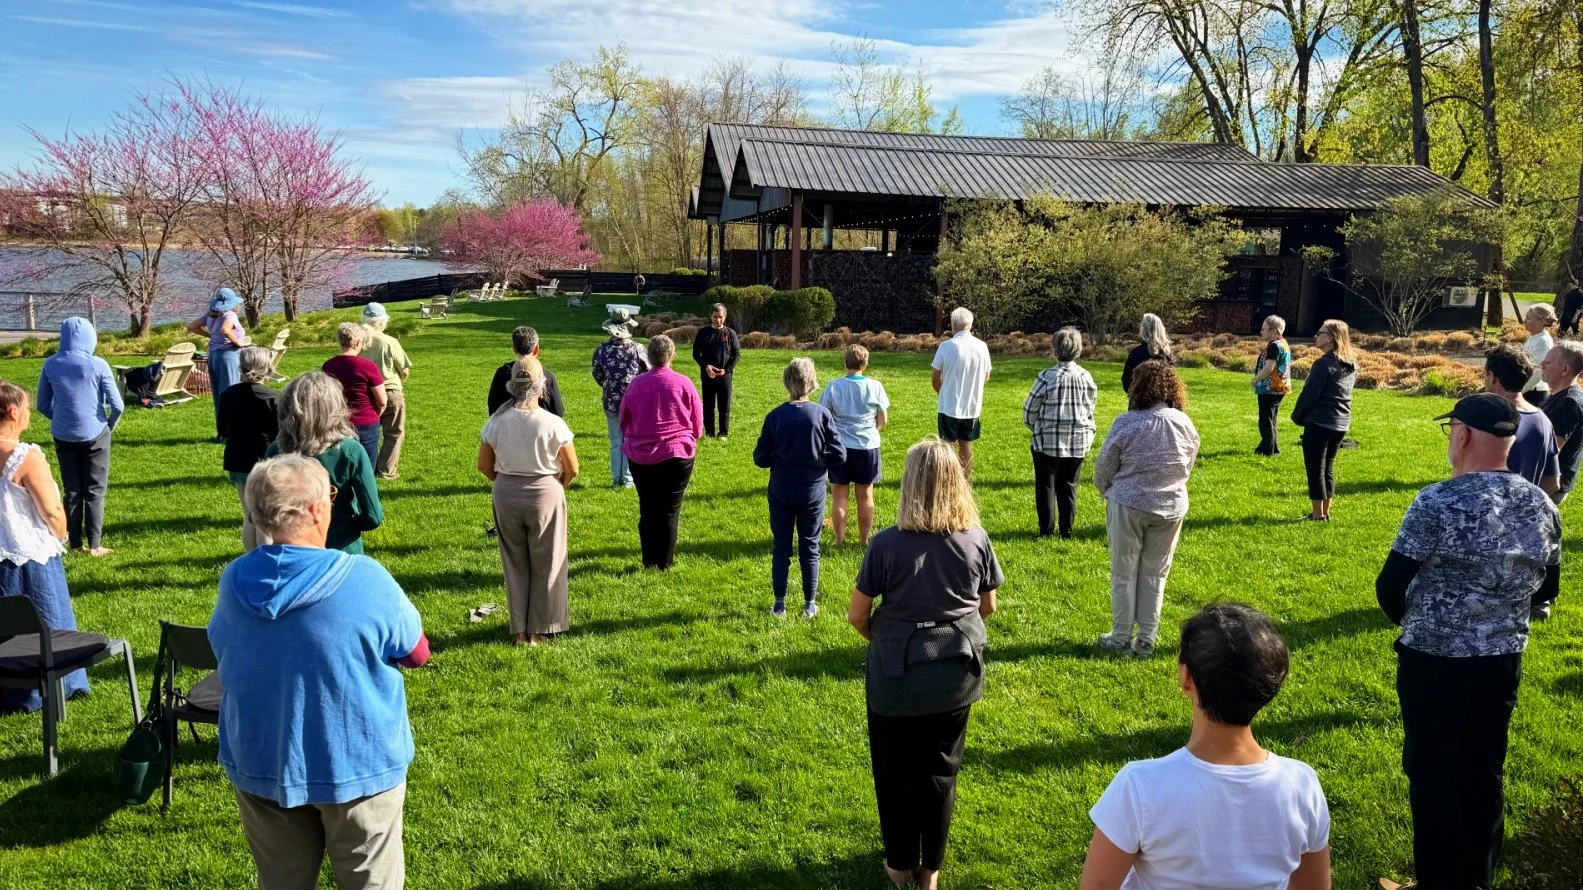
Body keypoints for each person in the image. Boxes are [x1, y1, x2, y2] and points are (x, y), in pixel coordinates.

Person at [209, 454, 429, 890]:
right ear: (315, 510)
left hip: (262, 758)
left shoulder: (234, 581)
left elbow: (223, 648)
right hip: (356, 763)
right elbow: (416, 652)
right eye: (330, 495)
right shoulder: (365, 578)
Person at [1374, 394, 1561, 890]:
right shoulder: (1540, 503)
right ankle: (1476, 880)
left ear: (1462, 435)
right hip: (1501, 659)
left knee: (1433, 773)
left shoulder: (1437, 501)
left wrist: (1418, 624)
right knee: (1484, 767)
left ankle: (1437, 884)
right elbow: (1549, 587)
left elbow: (1390, 587)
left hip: (1434, 660)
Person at [1080, 603, 1331, 890]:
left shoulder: (1140, 787)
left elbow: (1097, 885)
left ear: (1186, 678)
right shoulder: (1302, 786)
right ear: (1271, 686)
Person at [847, 438, 1002, 890]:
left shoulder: (886, 545)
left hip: (895, 679)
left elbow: (857, 615)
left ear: (909, 486)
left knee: (895, 771)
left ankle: (899, 864)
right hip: (955, 674)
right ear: (958, 484)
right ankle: (930, 870)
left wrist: (890, 640)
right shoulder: (975, 539)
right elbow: (987, 605)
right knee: (941, 772)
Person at [1093, 361, 1199, 658]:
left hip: (1129, 504)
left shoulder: (1126, 423)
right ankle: (1146, 640)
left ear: (1137, 387)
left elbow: (1103, 470)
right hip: (1170, 506)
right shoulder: (1185, 423)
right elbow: (1188, 465)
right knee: (1155, 574)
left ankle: (1121, 637)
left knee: (1123, 572)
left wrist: (1110, 492)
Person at [0, 380, 88, 714]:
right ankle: (47, 688)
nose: (28, 414)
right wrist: (61, 534)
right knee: (44, 621)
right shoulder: (24, 455)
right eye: (25, 407)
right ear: (12, 412)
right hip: (25, 555)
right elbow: (51, 509)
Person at [479, 357, 578, 646]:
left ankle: (520, 630)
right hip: (545, 493)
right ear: (541, 386)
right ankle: (541, 628)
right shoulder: (553, 423)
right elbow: (571, 468)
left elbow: (484, 465)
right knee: (548, 562)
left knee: (515, 564)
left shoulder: (496, 422)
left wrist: (507, 481)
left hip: (506, 492)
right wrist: (557, 486)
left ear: (512, 387)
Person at [754, 358, 845, 618]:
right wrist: (819, 462)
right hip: (812, 489)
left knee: (781, 546)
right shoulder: (821, 414)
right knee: (810, 545)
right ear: (812, 382)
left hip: (782, 487)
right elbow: (839, 454)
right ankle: (810, 604)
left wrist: (777, 459)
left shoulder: (775, 416)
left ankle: (779, 603)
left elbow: (760, 458)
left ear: (787, 382)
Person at [37, 316, 124, 557]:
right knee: (95, 490)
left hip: (63, 435)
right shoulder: (98, 365)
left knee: (72, 490)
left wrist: (60, 418)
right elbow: (118, 405)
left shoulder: (50, 364)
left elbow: (42, 404)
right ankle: (95, 545)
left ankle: (74, 544)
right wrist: (109, 425)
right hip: (96, 432)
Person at [270, 372, 384, 554]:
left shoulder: (276, 451)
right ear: (336, 409)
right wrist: (347, 526)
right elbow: (373, 516)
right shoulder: (350, 451)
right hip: (342, 548)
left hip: (291, 548)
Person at [619, 335, 703, 570]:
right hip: (676, 454)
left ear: (649, 357)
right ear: (672, 357)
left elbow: (623, 420)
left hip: (641, 454)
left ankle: (649, 561)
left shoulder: (636, 384)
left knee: (648, 508)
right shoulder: (684, 383)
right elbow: (697, 423)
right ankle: (664, 563)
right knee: (669, 510)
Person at [1023, 327, 1098, 539]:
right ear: (1078, 350)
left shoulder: (1046, 377)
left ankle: (1046, 531)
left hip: (1047, 441)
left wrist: (1035, 427)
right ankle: (1067, 530)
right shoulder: (1086, 377)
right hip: (1077, 440)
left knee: (1046, 486)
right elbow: (1090, 407)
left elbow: (1029, 410)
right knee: (1069, 486)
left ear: (1055, 350)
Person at [819, 344, 890, 546]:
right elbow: (883, 420)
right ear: (865, 364)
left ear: (845, 363)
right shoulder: (875, 386)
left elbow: (824, 417)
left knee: (839, 496)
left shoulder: (834, 386)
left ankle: (839, 540)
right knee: (865, 495)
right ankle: (864, 540)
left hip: (840, 447)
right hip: (867, 446)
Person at [1290, 319, 1357, 521]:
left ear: (1330, 338)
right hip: (1341, 423)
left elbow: (1310, 393)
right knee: (1328, 467)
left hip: (1320, 422)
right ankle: (1325, 512)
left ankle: (1317, 515)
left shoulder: (1323, 364)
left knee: (1316, 469)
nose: (1316, 336)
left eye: (1320, 333)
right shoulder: (1352, 365)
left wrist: (1297, 416)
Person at [217, 346, 281, 552]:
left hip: (237, 458)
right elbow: (279, 434)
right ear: (268, 367)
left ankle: (250, 557)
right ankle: (265, 559)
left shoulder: (228, 394)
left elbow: (222, 428)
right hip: (265, 460)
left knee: (249, 513)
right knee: (266, 515)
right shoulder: (274, 398)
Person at [1483, 345, 1560, 496]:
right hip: (1525, 514)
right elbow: (1552, 483)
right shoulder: (1543, 421)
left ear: (1492, 377)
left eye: (1484, 374)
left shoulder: (1484, 418)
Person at [930, 307, 992, 477]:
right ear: (970, 325)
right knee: (966, 445)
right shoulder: (982, 346)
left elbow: (935, 378)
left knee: (948, 446)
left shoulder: (946, 346)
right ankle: (964, 480)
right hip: (972, 406)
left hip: (949, 405)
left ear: (954, 325)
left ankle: (948, 478)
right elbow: (986, 376)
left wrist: (944, 393)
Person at [591, 308, 647, 488]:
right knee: (630, 440)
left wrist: (610, 385)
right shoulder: (638, 349)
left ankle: (616, 479)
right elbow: (648, 373)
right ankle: (627, 480)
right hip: (634, 402)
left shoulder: (602, 350)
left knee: (616, 441)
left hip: (611, 401)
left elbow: (597, 374)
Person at [188, 287, 251, 440]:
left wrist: (209, 335)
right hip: (228, 356)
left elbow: (192, 327)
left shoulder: (211, 315)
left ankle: (222, 433)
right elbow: (225, 330)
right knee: (231, 393)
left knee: (219, 396)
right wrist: (239, 343)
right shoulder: (229, 314)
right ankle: (231, 435)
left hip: (213, 357)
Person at [322, 322, 386, 468]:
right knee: (366, 466)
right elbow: (382, 400)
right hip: (365, 421)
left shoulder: (328, 366)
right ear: (357, 342)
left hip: (338, 421)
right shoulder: (367, 366)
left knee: (342, 464)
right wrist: (375, 414)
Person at [359, 303, 412, 479]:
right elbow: (404, 370)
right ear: (382, 322)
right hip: (389, 390)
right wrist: (401, 381)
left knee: (366, 432)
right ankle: (386, 470)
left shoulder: (357, 342)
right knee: (394, 433)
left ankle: (365, 468)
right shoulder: (389, 342)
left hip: (364, 393)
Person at [1539, 339, 1583, 503]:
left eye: (1547, 362)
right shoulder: (1561, 395)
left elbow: (1551, 449)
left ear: (1565, 369)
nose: (1542, 364)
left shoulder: (1568, 402)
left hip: (1548, 485)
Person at [490, 326, 564, 418]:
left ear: (514, 348)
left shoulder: (501, 373)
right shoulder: (546, 375)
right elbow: (558, 411)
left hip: (508, 427)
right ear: (536, 349)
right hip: (539, 427)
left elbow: (493, 409)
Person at [693, 303, 741, 439]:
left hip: (724, 377)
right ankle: (709, 432)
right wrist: (705, 366)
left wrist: (727, 370)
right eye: (715, 317)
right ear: (710, 316)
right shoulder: (703, 333)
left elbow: (737, 354)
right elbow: (696, 354)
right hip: (708, 375)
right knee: (708, 406)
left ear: (725, 317)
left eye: (720, 317)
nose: (717, 320)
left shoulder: (730, 333)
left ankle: (723, 433)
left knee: (724, 406)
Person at [1252, 314, 1292, 455]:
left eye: (1264, 329)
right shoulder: (1283, 343)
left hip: (1270, 388)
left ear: (1274, 330)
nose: (1261, 332)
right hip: (1281, 386)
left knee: (1266, 420)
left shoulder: (1274, 346)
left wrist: (1256, 379)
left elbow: (1269, 367)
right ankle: (1271, 448)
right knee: (1271, 419)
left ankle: (1268, 450)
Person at [1120, 313, 1174, 394]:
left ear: (1143, 329)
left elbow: (1126, 382)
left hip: (1140, 402)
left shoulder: (1136, 353)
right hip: (1164, 401)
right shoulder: (1167, 354)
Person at [1520, 304, 1556, 407]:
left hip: (1533, 393)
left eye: (1528, 318)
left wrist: (1517, 391)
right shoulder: (1535, 337)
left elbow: (1537, 372)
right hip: (1528, 389)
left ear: (1541, 321)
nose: (1525, 320)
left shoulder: (1543, 341)